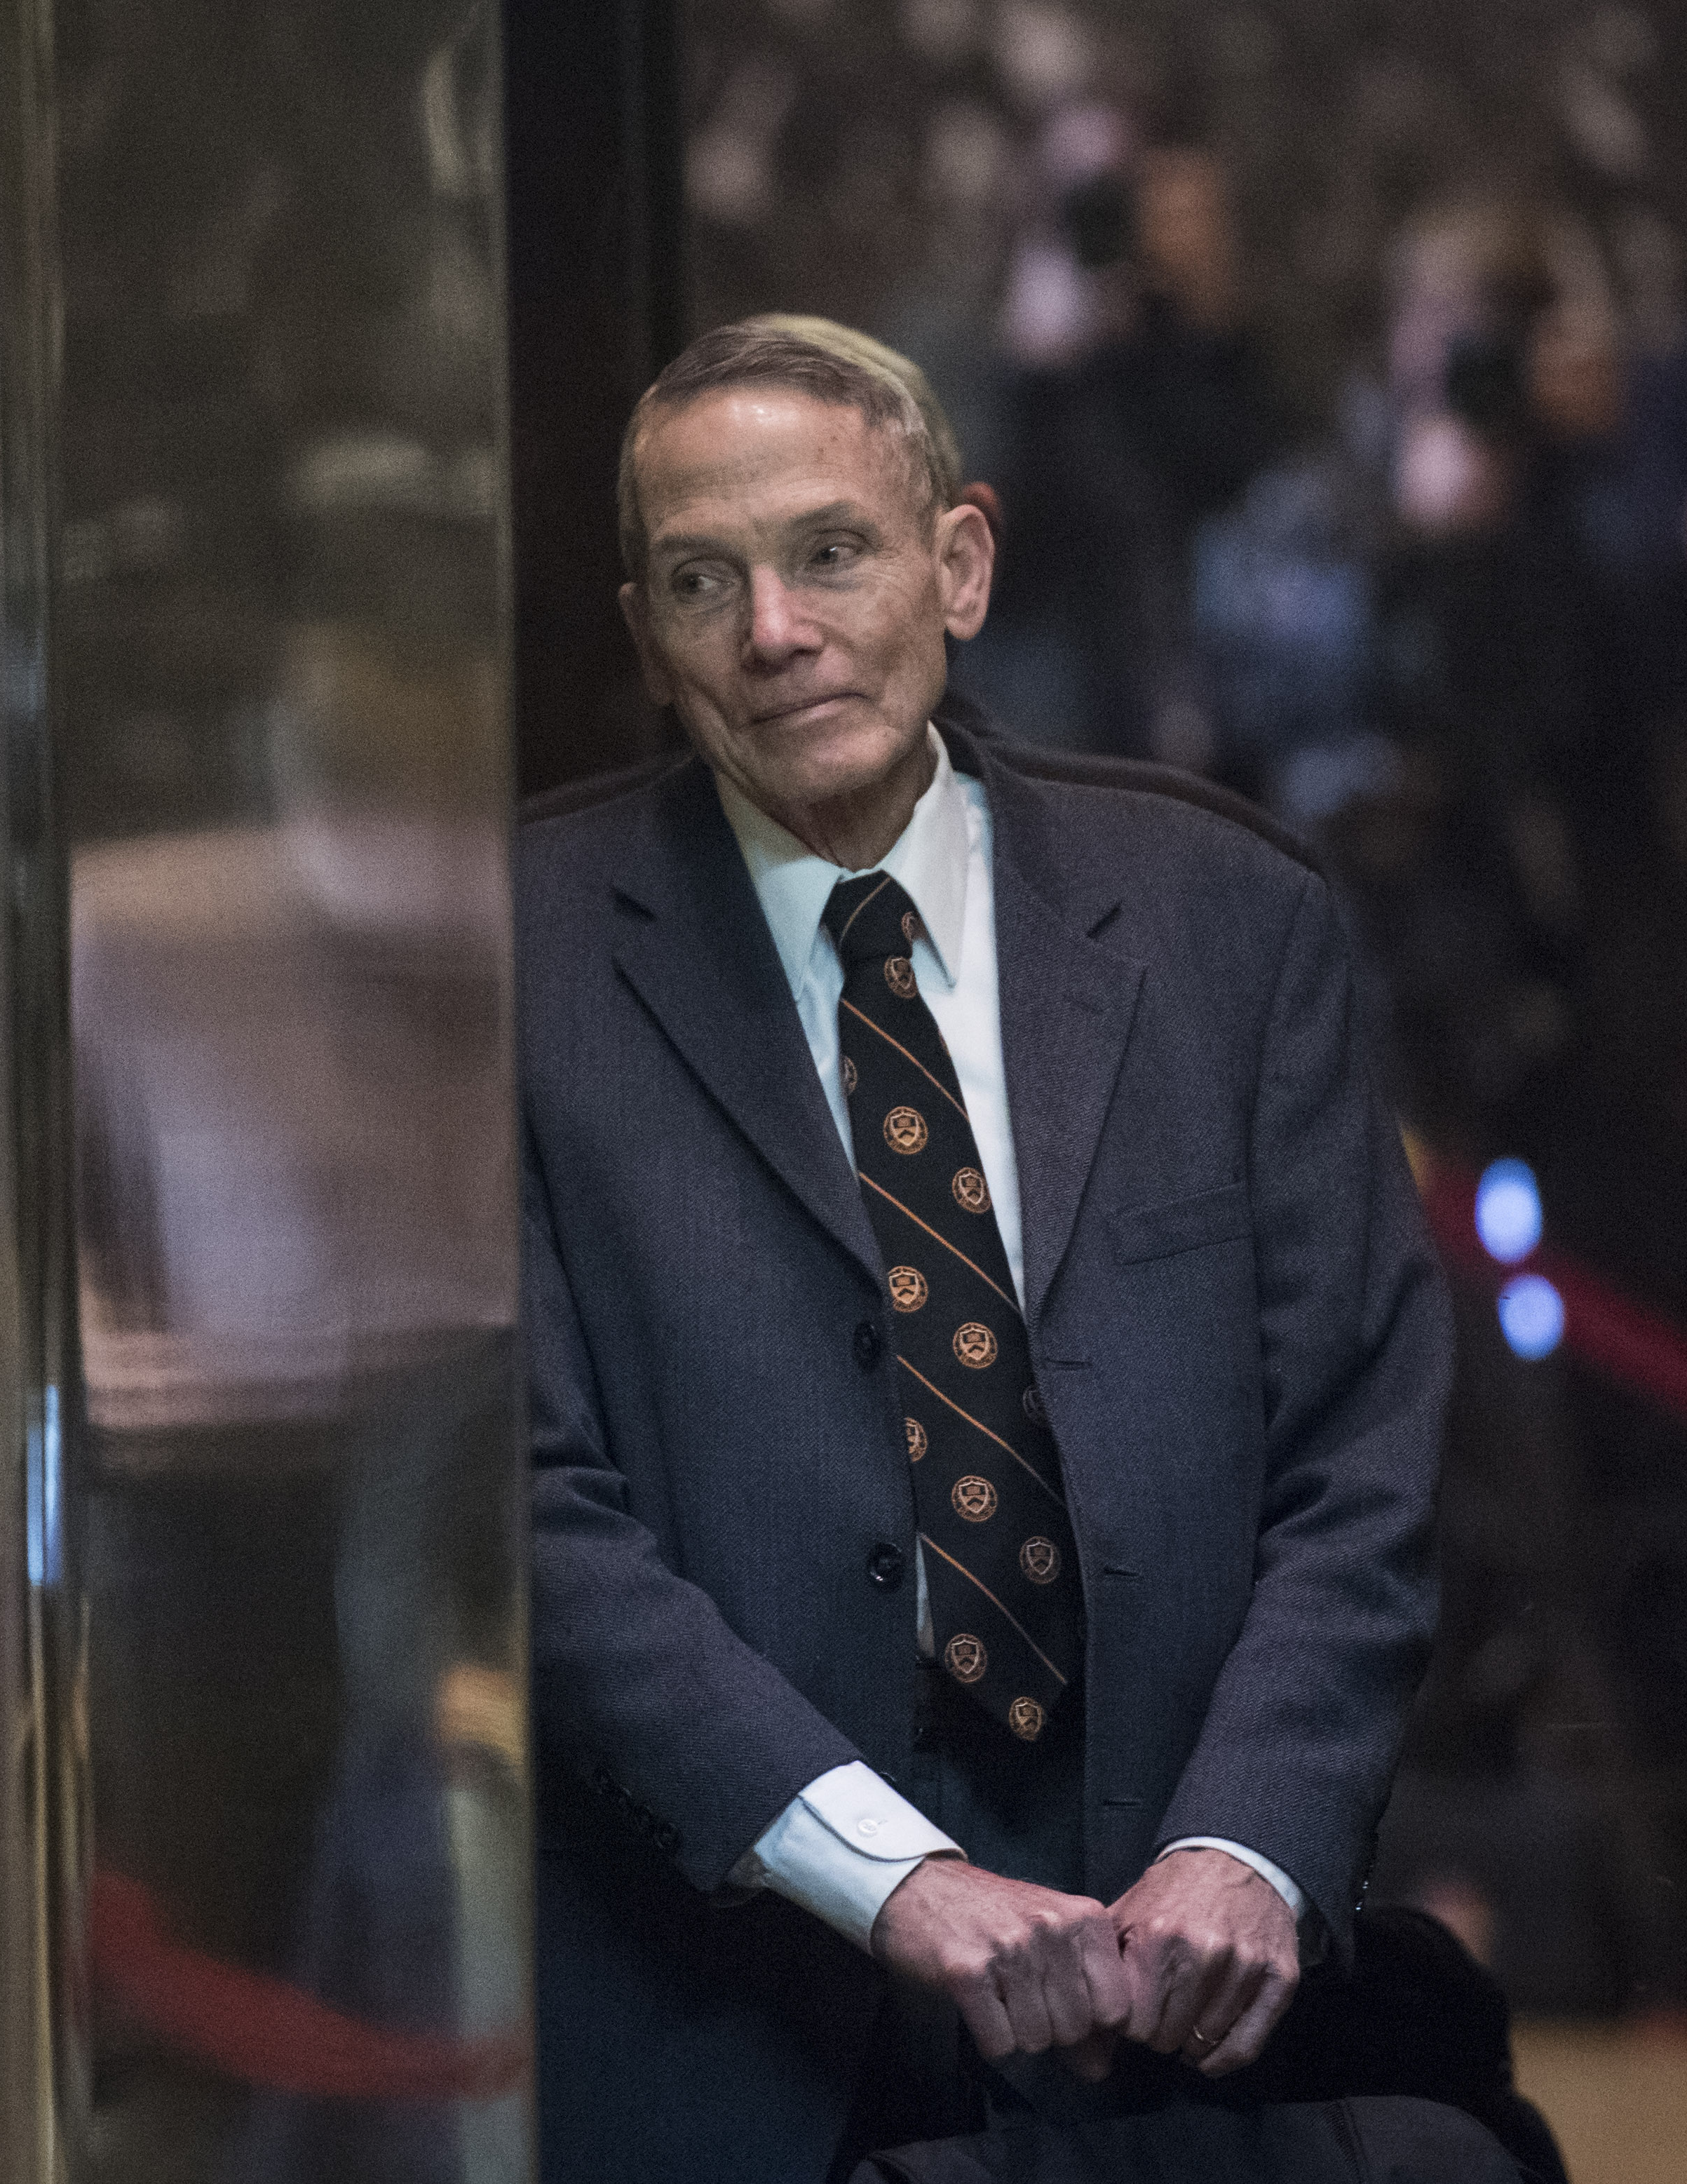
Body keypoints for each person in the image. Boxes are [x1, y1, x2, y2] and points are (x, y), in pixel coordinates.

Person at [521, 318, 1450, 2182]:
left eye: (831, 553)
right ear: (645, 636)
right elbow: (516, 1502)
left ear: (960, 562)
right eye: (705, 581)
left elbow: (1360, 1450)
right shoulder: (509, 960)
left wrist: (1249, 1843)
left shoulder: (1224, 923)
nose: (774, 629)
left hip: (1187, 2031)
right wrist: (894, 1874)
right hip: (724, 2025)